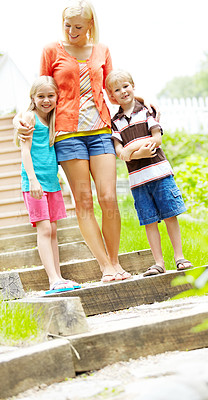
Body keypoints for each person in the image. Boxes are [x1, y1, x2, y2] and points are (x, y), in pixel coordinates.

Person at [13, 0, 133, 283]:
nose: (71, 31)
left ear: (90, 25)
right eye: (67, 25)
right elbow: (41, 89)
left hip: (101, 131)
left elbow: (111, 87)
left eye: (78, 26)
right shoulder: (51, 50)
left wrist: (139, 100)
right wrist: (23, 115)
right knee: (84, 201)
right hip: (68, 137)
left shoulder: (102, 50)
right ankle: (105, 267)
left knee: (109, 199)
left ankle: (116, 263)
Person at [105, 70, 193, 276]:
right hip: (138, 180)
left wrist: (133, 150)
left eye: (126, 86)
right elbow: (120, 153)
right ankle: (158, 262)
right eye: (117, 90)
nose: (123, 91)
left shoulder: (146, 111)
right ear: (112, 95)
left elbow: (156, 139)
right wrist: (134, 154)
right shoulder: (115, 121)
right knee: (149, 221)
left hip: (160, 174)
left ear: (133, 86)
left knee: (171, 216)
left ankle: (179, 257)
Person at [15, 76, 81, 294]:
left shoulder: (53, 118)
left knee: (53, 229)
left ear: (56, 97)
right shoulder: (29, 117)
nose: (46, 100)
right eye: (41, 96)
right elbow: (25, 151)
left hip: (52, 183)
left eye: (50, 96)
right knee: (44, 229)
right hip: (35, 183)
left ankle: (59, 277)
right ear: (33, 97)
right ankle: (52, 279)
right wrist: (33, 180)